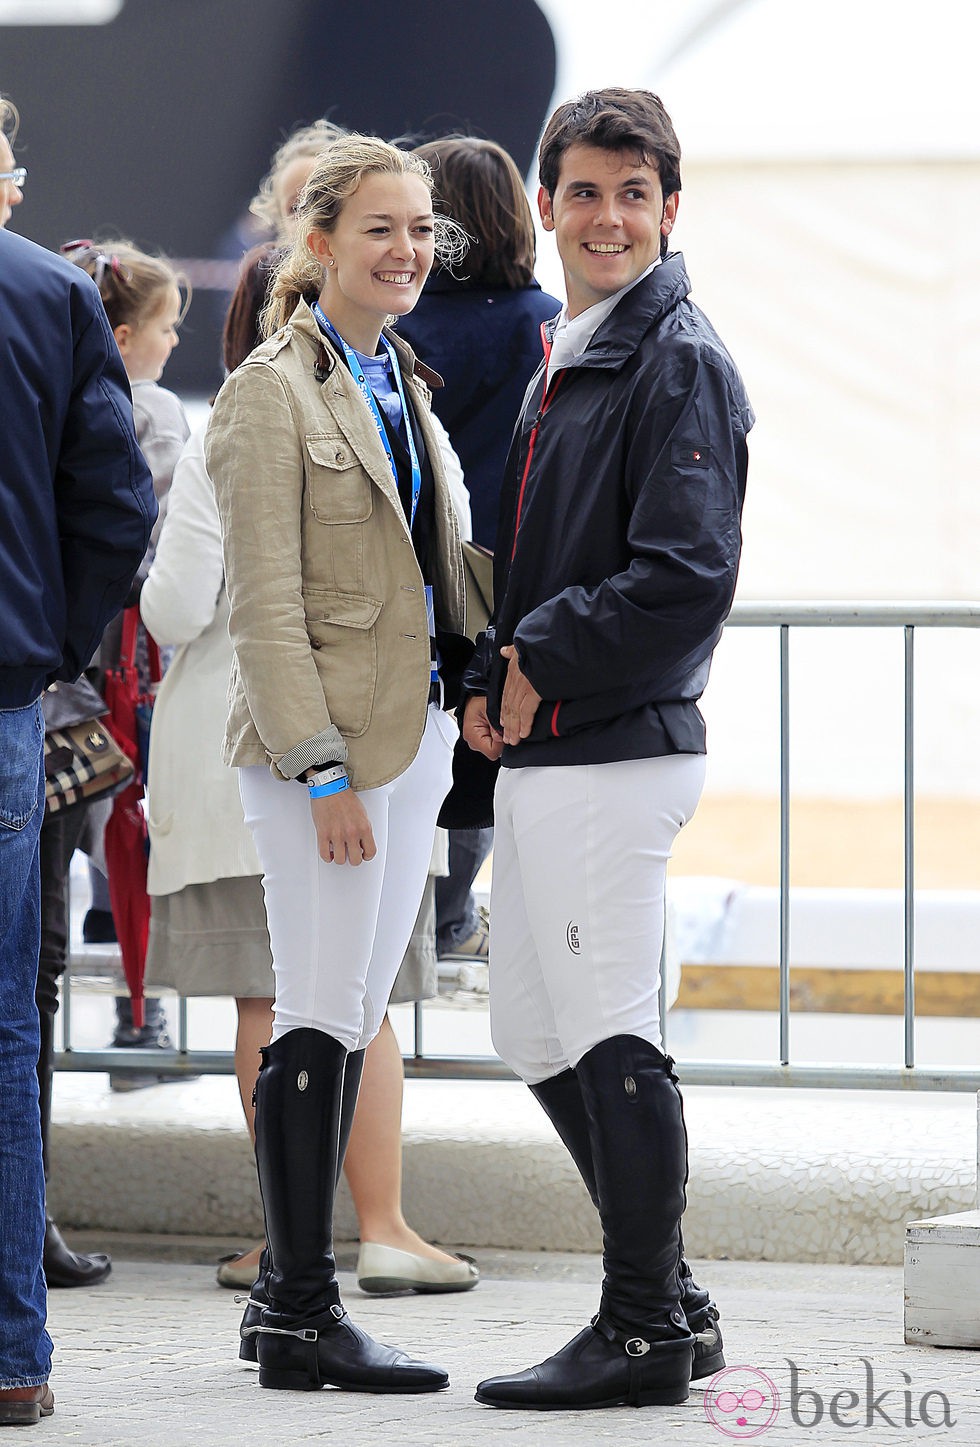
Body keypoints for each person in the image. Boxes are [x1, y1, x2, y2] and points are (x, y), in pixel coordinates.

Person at [462, 88, 752, 1411]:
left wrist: (536, 658)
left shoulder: (673, 357)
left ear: (670, 210)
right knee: (530, 1019)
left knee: (609, 1020)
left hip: (619, 748)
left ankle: (640, 1319)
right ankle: (674, 1289)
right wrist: (490, 669)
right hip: (553, 747)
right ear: (548, 207)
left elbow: (683, 574)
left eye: (635, 192)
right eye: (585, 190)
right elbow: (539, 559)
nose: (609, 215)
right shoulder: (576, 348)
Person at [205, 133, 469, 1394]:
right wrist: (317, 769)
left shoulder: (394, 375)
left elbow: (432, 564)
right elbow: (262, 605)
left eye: (420, 230)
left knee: (355, 1012)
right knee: (317, 1005)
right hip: (326, 756)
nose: (406, 250)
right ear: (318, 244)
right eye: (380, 228)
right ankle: (300, 1307)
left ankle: (282, 1307)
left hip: (408, 739)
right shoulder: (272, 389)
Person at [0, 160, 156, 1423]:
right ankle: (9, 1355)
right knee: (2, 1030)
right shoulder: (50, 294)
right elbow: (119, 506)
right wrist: (46, 640)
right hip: (2, 694)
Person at [399, 136, 562, 969]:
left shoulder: (395, 325)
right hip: (510, 575)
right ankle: (456, 913)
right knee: (488, 743)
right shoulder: (545, 326)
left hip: (407, 577)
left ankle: (418, 922)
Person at [60, 238, 191, 1089]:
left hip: (67, 656)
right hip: (131, 656)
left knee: (86, 828)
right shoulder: (154, 412)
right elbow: (160, 531)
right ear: (122, 330)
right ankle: (140, 1016)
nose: (174, 340)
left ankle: (132, 1014)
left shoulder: (55, 394)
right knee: (133, 827)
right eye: (166, 324)